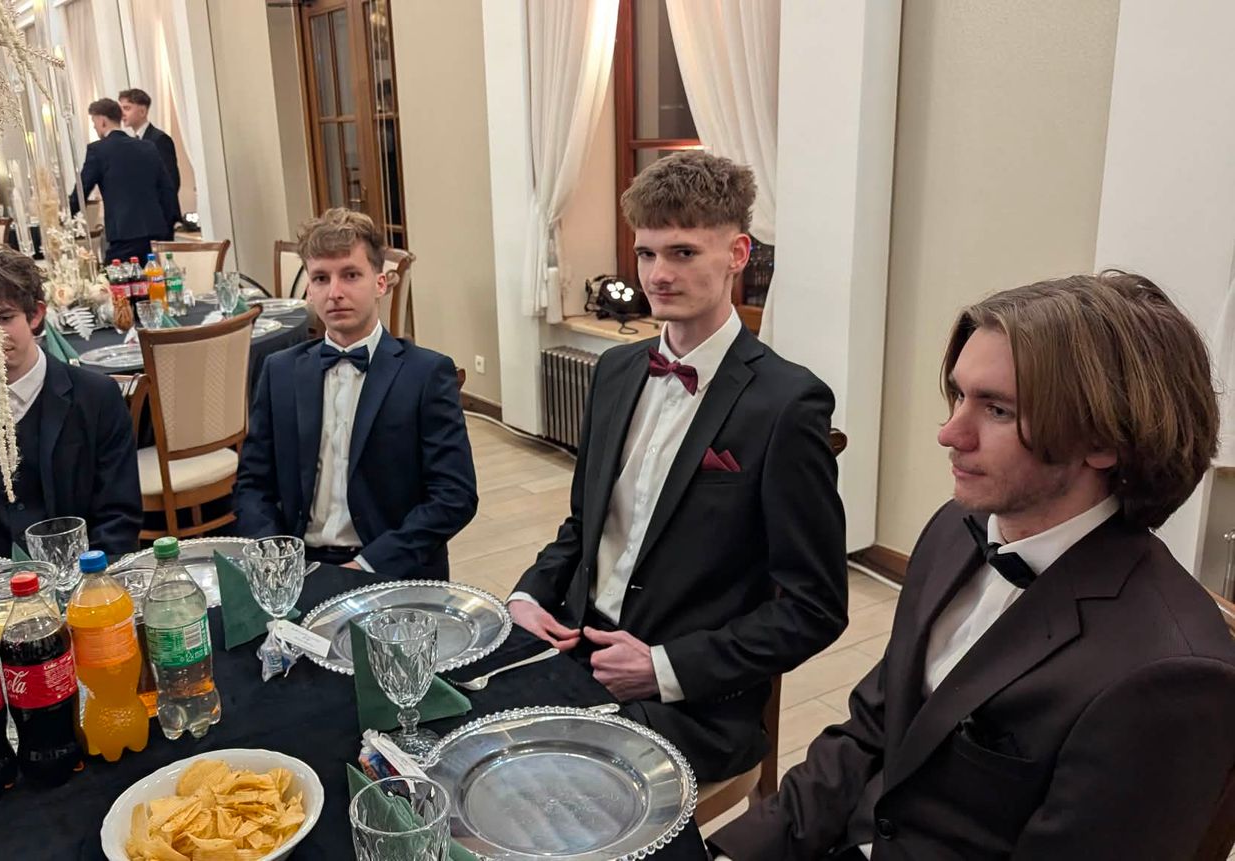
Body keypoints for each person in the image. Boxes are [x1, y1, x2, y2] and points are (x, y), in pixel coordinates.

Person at [712, 273, 1235, 860]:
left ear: (1104, 443)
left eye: (998, 410)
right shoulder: (955, 530)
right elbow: (872, 729)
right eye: (958, 396)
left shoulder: (1170, 677)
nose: (949, 433)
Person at [508, 151, 848, 782]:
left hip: (691, 701)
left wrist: (664, 668)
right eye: (646, 254)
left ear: (738, 254)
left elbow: (814, 608)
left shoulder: (786, 404)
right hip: (577, 649)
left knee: (547, 793)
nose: (658, 275)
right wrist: (530, 594)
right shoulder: (615, 371)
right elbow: (583, 527)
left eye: (684, 252)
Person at [233, 208, 476, 578]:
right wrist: (275, 557)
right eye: (321, 278)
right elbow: (253, 484)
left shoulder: (426, 374)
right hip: (297, 564)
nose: (335, 293)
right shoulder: (279, 371)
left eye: (350, 275)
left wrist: (366, 565)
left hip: (389, 566)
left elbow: (455, 496)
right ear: (309, 291)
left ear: (380, 283)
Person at [0, 248, 141, 561]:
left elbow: (119, 517)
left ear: (35, 315)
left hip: (80, 575)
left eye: (4, 318)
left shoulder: (96, 397)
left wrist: (86, 577)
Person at [70, 98, 178, 265]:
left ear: (102, 121)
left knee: (113, 279)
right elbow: (167, 189)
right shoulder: (148, 146)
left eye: (94, 122)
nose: (94, 127)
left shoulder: (98, 150)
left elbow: (81, 191)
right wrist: (166, 227)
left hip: (124, 234)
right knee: (155, 278)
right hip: (156, 232)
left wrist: (65, 219)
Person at [118, 87, 179, 199]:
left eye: (127, 108)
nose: (122, 114)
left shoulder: (159, 139)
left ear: (142, 111)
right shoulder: (133, 142)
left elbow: (171, 182)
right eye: (121, 109)